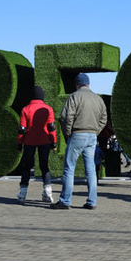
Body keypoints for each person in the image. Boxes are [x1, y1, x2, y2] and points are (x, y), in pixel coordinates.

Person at [51, 73, 107, 210]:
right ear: (88, 84)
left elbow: (66, 117)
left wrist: (68, 133)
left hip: (77, 133)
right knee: (91, 169)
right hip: (92, 135)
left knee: (69, 168)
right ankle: (92, 201)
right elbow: (103, 119)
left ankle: (65, 201)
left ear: (77, 84)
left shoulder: (74, 96)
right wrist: (95, 131)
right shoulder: (98, 99)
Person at [16, 86, 57, 204]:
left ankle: (22, 194)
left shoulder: (25, 109)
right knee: (44, 166)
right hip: (44, 140)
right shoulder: (48, 109)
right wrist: (53, 142)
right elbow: (51, 128)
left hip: (29, 141)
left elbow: (22, 129)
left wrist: (19, 143)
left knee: (27, 167)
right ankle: (48, 193)